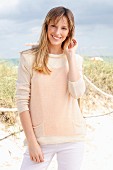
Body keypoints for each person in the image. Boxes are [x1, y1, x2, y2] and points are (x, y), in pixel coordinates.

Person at [16, 6, 86, 170]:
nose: (57, 32)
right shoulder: (28, 58)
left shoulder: (75, 60)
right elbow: (21, 102)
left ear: (70, 31)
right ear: (46, 26)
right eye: (53, 26)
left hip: (73, 138)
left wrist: (70, 58)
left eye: (64, 28)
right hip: (40, 141)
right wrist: (32, 142)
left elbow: (77, 93)